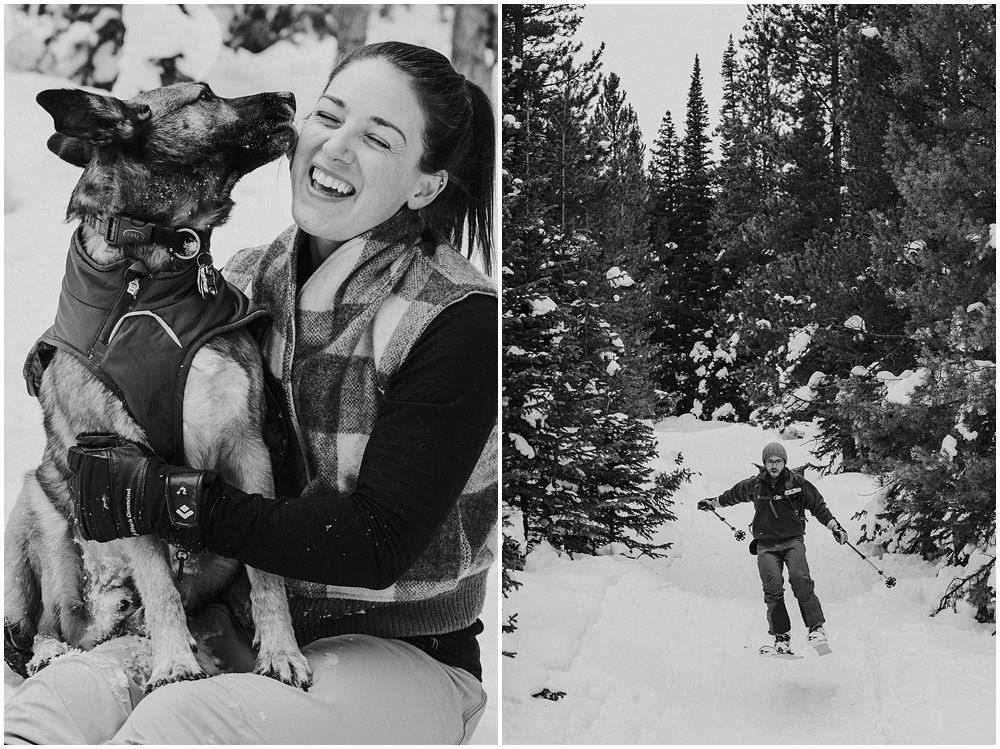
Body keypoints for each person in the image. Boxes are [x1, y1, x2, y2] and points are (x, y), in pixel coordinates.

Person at [5, 41, 497, 745]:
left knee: (175, 725)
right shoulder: (244, 277)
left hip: (403, 654)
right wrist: (74, 354)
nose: (335, 147)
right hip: (232, 621)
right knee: (48, 709)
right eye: (329, 115)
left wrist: (180, 500)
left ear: (424, 185)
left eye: (377, 139)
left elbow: (376, 542)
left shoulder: (456, 319)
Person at [697, 442, 849, 655]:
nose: (774, 465)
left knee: (800, 578)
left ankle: (816, 628)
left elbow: (818, 506)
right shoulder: (755, 485)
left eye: (778, 461)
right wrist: (712, 503)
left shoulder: (798, 483)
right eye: (770, 461)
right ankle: (781, 637)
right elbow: (731, 496)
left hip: (792, 540)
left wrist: (835, 527)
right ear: (764, 463)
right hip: (766, 544)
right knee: (772, 587)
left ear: (785, 462)